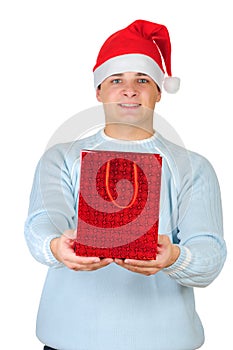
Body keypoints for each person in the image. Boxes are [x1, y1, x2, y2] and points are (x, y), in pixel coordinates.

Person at [24, 19, 227, 350]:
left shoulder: (193, 167)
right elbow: (41, 222)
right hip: (69, 339)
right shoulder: (61, 158)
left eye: (142, 80)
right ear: (99, 90)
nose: (130, 89)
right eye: (117, 79)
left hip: (164, 342)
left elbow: (210, 254)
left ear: (159, 92)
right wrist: (55, 247)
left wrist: (174, 256)